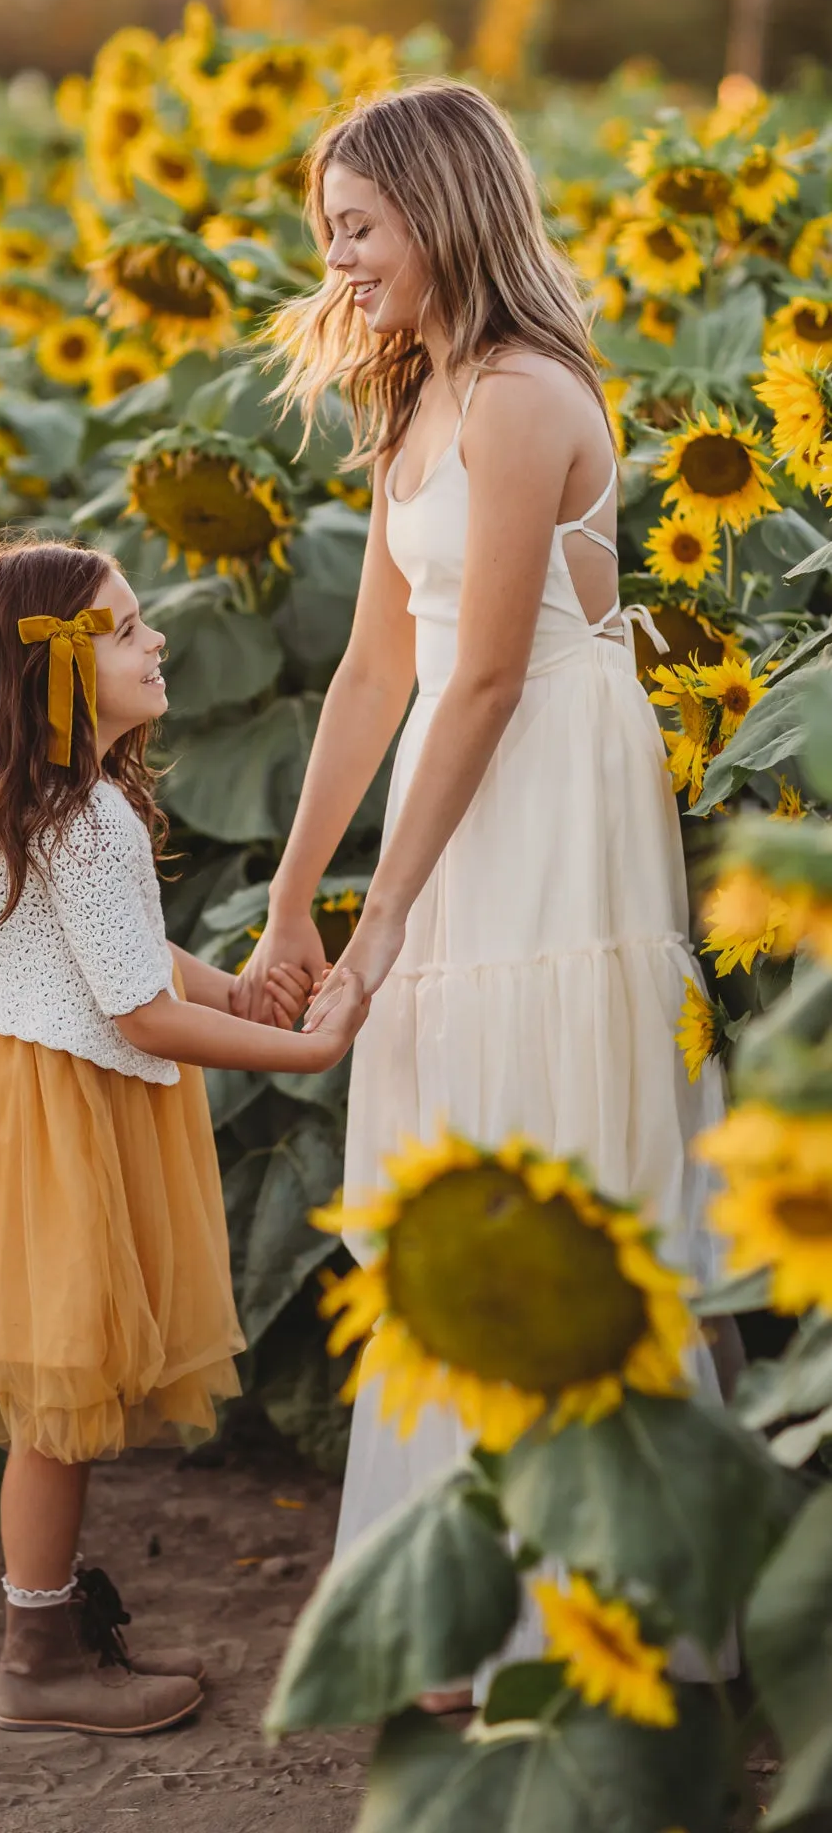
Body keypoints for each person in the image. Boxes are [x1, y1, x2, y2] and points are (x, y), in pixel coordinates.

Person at [235, 81, 734, 1650]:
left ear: (441, 212)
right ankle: (470, 1609)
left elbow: (494, 673)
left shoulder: (523, 395)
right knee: (457, 1163)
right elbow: (377, 672)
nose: (342, 261)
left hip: (545, 801)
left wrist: (384, 916)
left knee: (554, 1156)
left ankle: (593, 1614)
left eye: (360, 227)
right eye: (332, 233)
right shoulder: (416, 403)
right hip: (454, 794)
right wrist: (295, 887)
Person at [0, 535, 369, 1739]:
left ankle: (54, 1627)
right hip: (56, 1119)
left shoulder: (44, 800)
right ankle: (35, 1659)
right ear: (60, 672)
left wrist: (232, 990)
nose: (157, 639)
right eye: (128, 627)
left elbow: (130, 954)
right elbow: (136, 1006)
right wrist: (307, 1047)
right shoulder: (84, 818)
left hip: (17, 1097)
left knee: (62, 1396)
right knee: (61, 1400)